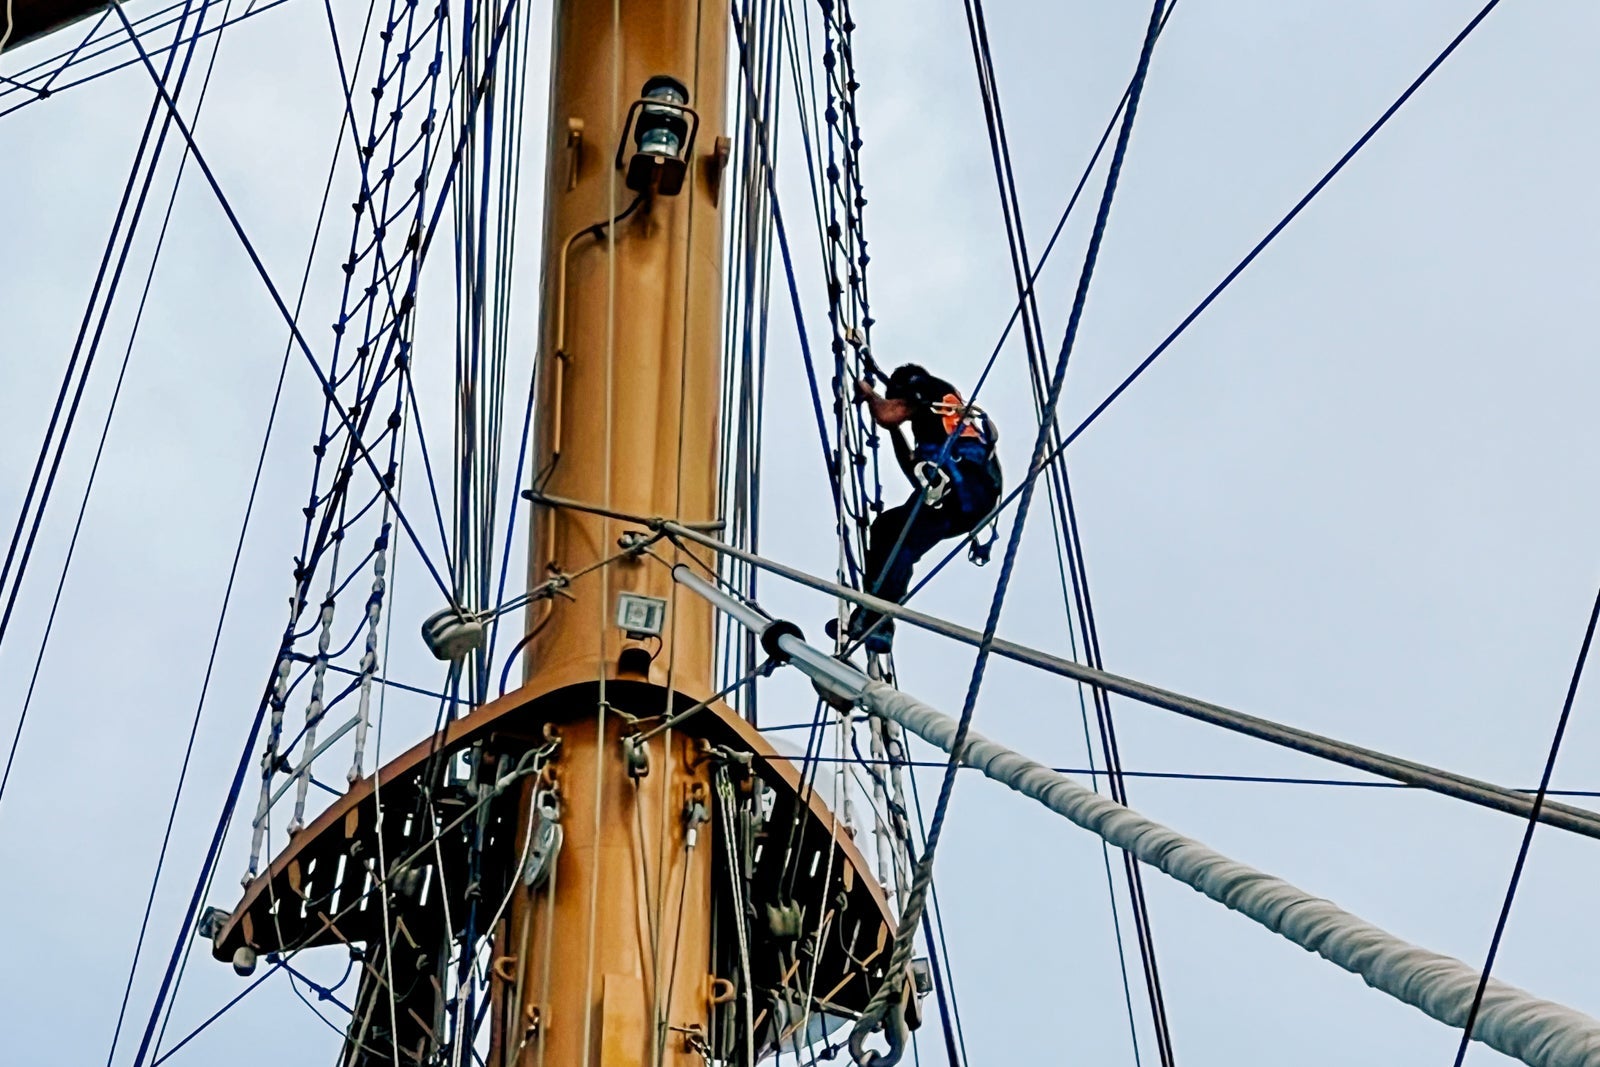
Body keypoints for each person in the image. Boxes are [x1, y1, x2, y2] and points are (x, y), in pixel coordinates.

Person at [834, 363, 1001, 654]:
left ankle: (878, 614)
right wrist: (896, 431)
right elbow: (914, 467)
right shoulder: (942, 417)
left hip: (959, 486)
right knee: (894, 533)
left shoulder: (927, 387)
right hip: (970, 496)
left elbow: (888, 414)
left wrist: (869, 394)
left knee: (891, 533)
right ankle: (877, 614)